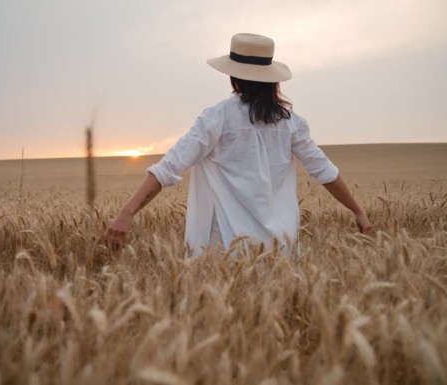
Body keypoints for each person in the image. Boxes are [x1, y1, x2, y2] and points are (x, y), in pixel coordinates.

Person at [106, 33, 372, 256]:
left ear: (234, 77)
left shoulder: (217, 117)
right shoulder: (292, 123)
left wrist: (126, 213)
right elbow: (325, 172)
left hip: (224, 249)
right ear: (271, 78)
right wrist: (358, 212)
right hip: (281, 248)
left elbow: (169, 167)